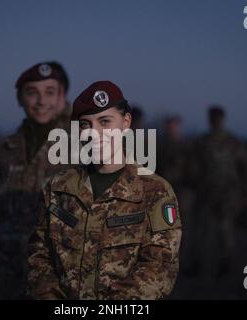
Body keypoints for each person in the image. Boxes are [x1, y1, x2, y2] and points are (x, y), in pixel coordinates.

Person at [27, 81, 182, 299]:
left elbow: (161, 267)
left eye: (105, 121)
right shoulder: (58, 188)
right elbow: (39, 255)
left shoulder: (155, 191)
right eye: (85, 124)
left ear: (126, 122)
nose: (94, 133)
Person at [0, 62, 71, 299]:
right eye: (32, 92)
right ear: (19, 99)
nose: (41, 101)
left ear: (62, 96)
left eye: (49, 92)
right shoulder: (2, 150)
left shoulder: (85, 144)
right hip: (9, 275)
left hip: (64, 279)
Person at [189, 105, 247, 277]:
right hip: (205, 193)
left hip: (226, 194)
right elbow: (193, 167)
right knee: (200, 230)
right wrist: (196, 183)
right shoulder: (201, 142)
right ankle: (196, 264)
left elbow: (244, 168)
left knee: (224, 230)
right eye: (213, 118)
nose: (215, 121)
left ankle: (225, 264)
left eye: (218, 118)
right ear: (209, 119)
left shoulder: (233, 142)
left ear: (222, 119)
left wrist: (245, 193)